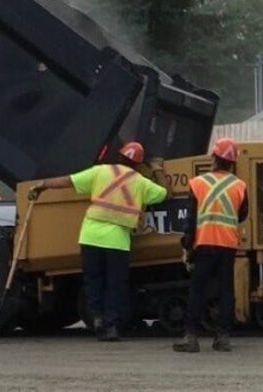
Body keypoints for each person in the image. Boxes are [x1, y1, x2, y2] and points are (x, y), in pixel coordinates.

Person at [29, 142, 168, 341]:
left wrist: (41, 185)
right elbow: (164, 193)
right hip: (117, 241)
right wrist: (157, 170)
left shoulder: (100, 172)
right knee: (115, 285)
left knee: (93, 281)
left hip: (90, 237)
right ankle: (111, 326)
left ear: (119, 157)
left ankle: (96, 317)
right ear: (138, 165)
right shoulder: (140, 181)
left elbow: (66, 181)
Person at [173, 138, 248, 353]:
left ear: (214, 158)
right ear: (232, 163)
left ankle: (191, 338)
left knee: (198, 290)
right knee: (226, 291)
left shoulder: (198, 183)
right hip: (227, 245)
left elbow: (190, 220)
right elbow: (243, 214)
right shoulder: (239, 186)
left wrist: (187, 248)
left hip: (204, 244)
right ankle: (223, 337)